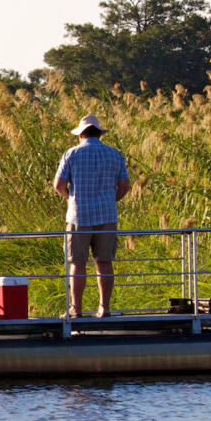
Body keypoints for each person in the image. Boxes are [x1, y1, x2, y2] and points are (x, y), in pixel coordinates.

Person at [53, 114, 130, 318]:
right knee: (104, 262)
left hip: (79, 215)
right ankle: (104, 308)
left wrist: (70, 197)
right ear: (100, 134)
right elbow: (124, 186)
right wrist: (110, 200)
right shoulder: (115, 154)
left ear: (81, 135)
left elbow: (59, 185)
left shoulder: (71, 154)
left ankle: (76, 309)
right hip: (107, 215)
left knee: (77, 263)